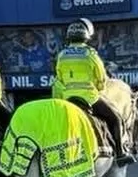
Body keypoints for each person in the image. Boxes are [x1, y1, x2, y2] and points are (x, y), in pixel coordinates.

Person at [52, 18, 133, 165]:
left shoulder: (61, 55)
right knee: (116, 118)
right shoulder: (90, 54)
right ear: (86, 37)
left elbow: (59, 79)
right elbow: (101, 79)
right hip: (89, 98)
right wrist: (99, 88)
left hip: (68, 99)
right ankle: (121, 153)